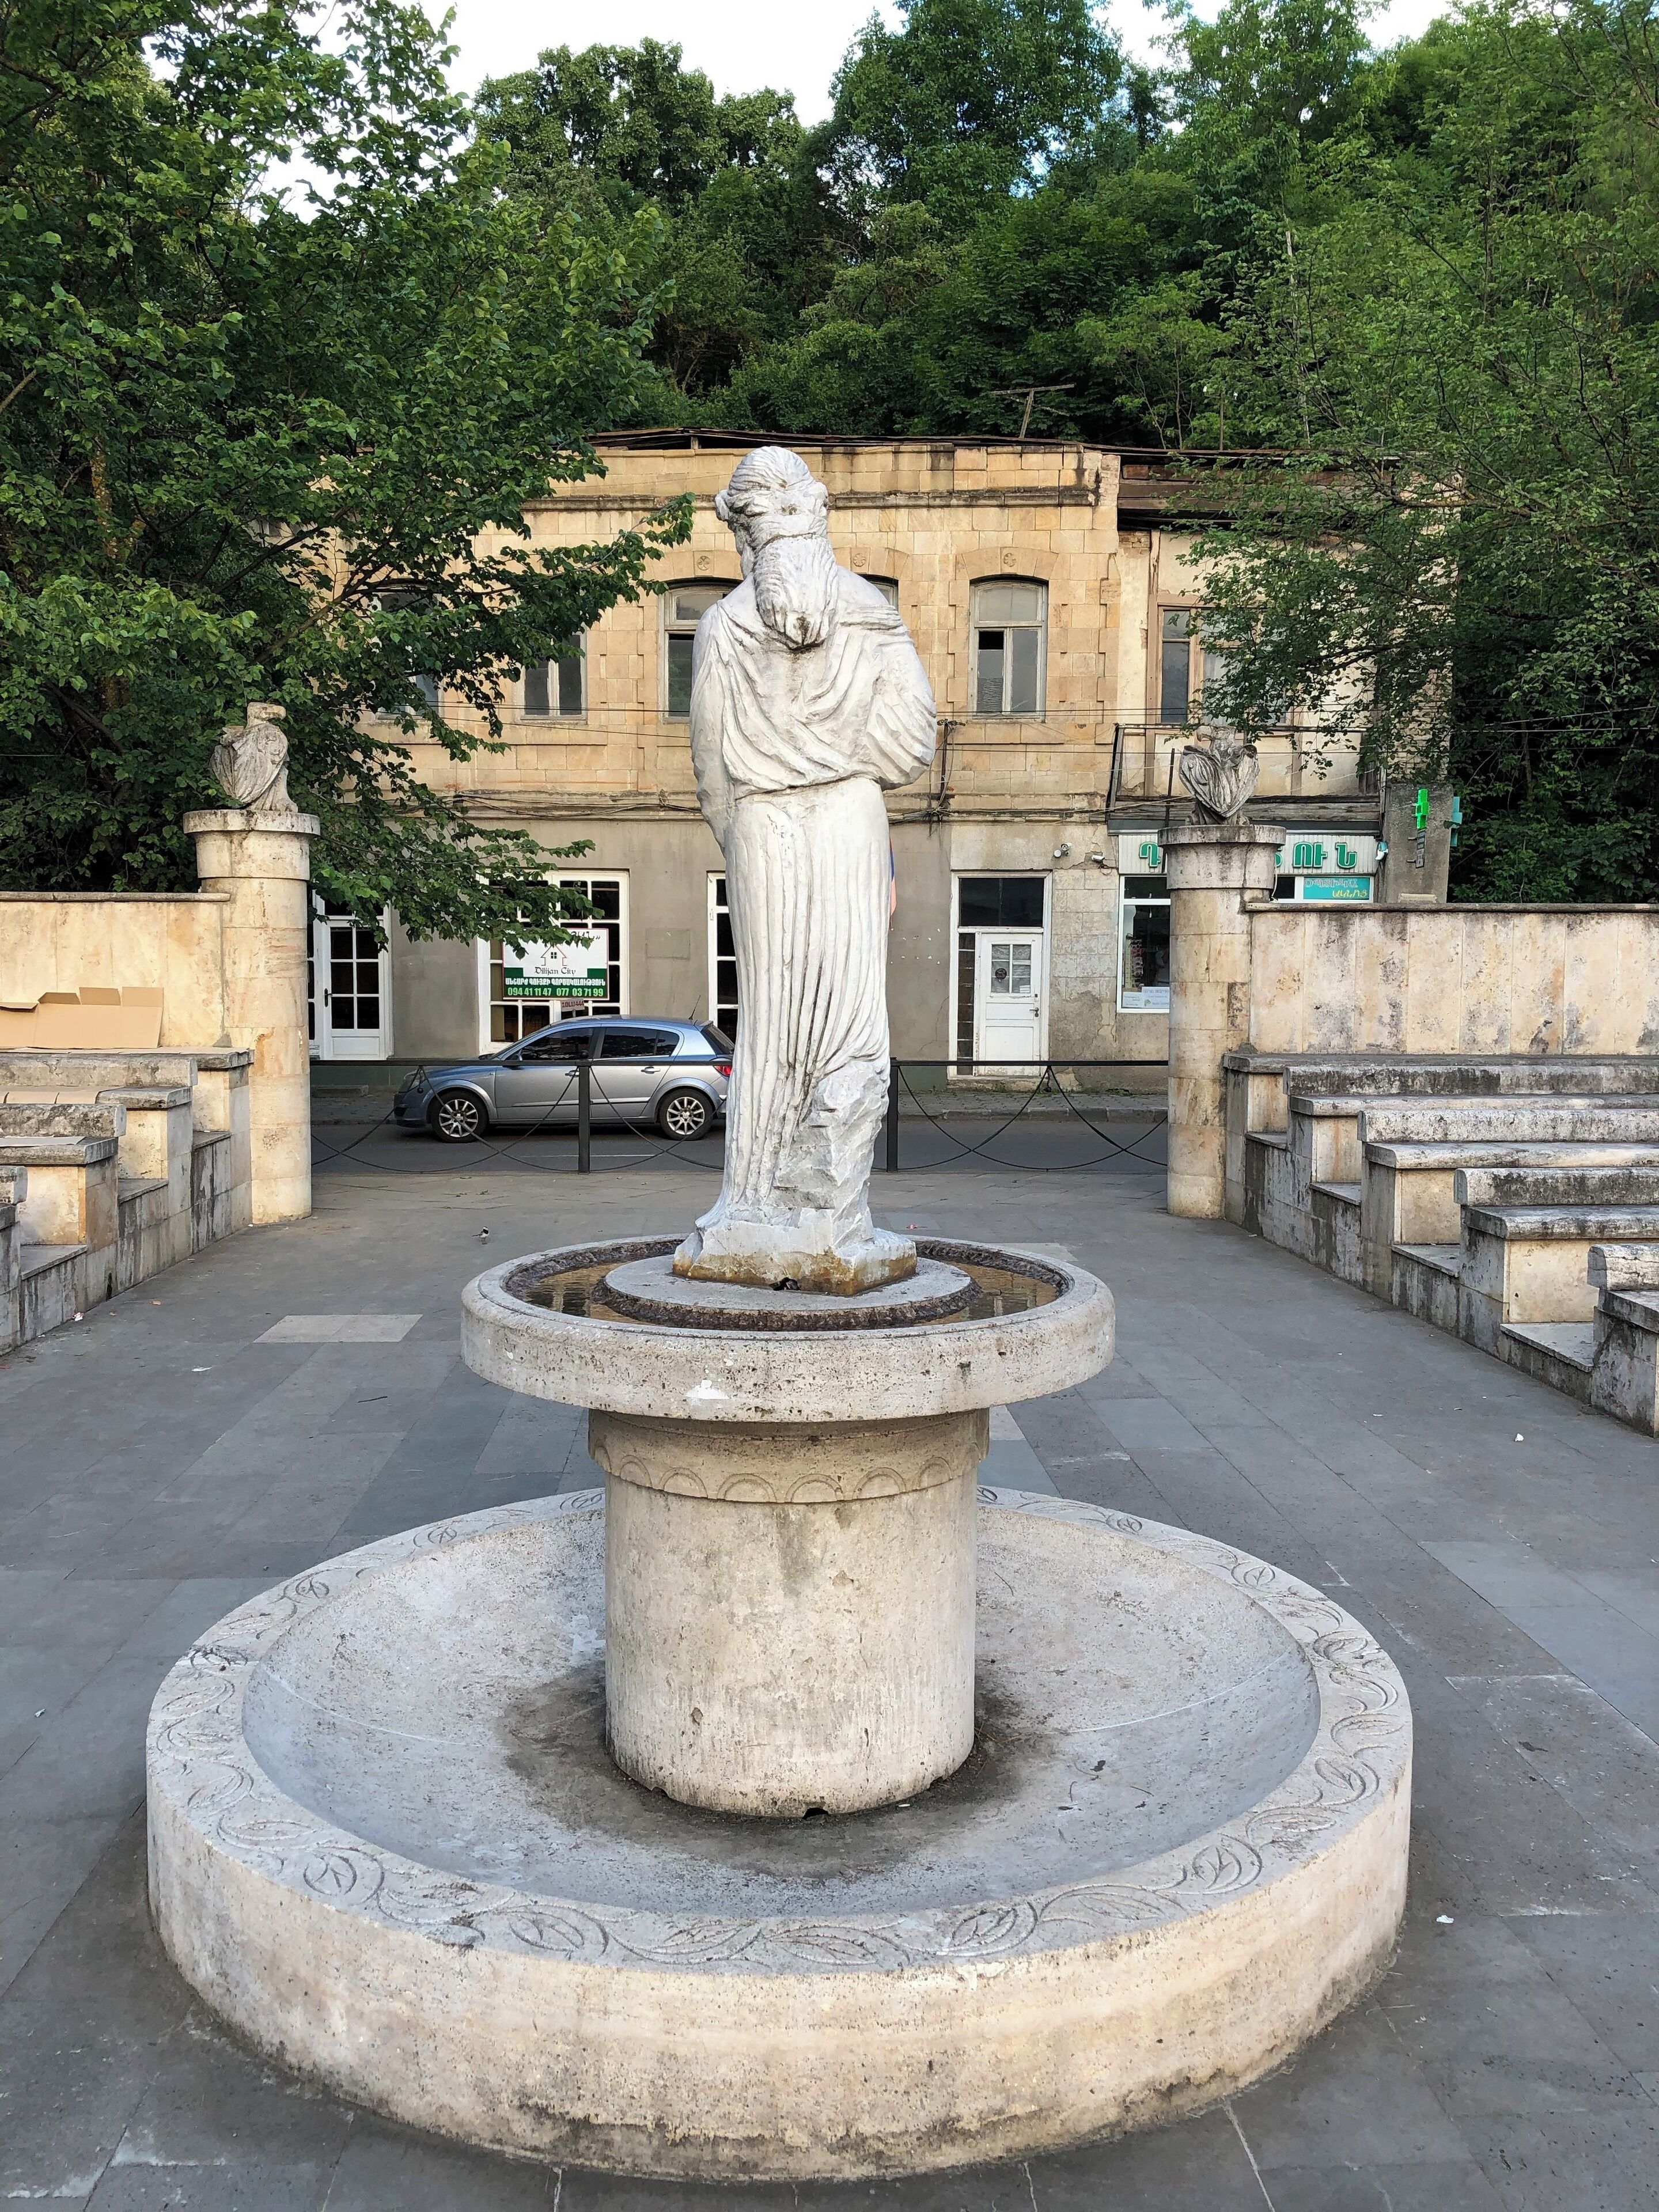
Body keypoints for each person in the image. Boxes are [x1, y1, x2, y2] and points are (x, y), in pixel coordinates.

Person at [673, 447, 935, 1293]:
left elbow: (710, 766)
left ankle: (757, 1201)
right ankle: (830, 1212)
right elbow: (913, 749)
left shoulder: (722, 625)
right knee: (852, 1011)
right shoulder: (873, 613)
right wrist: (842, 762)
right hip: (850, 820)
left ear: (745, 537)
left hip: (761, 827)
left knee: (775, 1012)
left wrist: (745, 828)